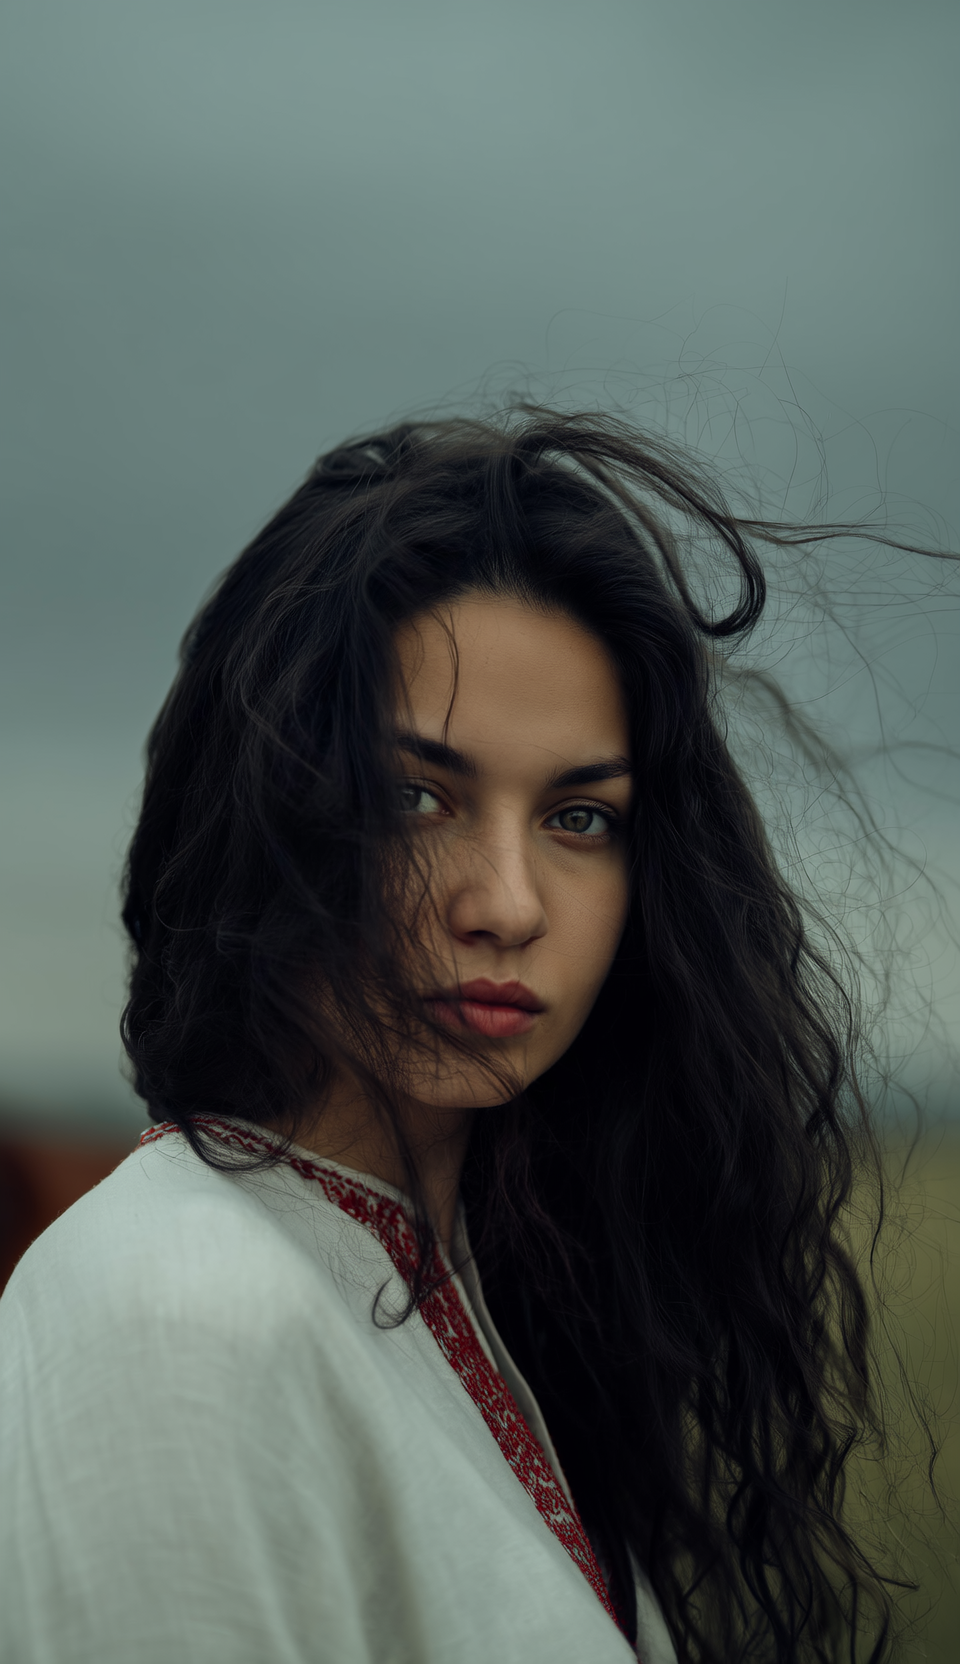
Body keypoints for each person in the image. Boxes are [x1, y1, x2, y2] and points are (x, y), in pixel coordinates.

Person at [0, 409, 923, 1662]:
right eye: (415, 797)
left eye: (581, 816)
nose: (505, 903)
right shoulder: (177, 1309)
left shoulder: (473, 1297)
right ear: (269, 800)